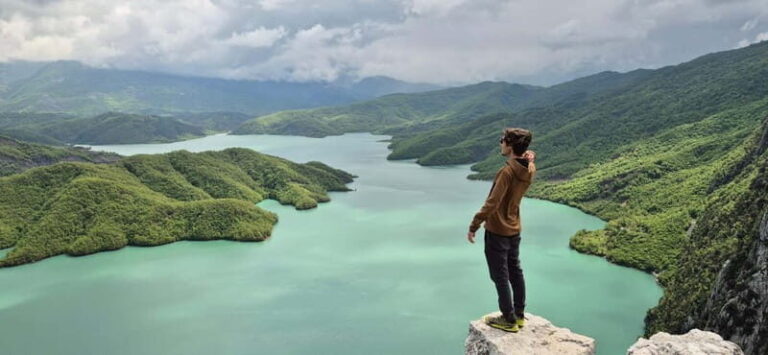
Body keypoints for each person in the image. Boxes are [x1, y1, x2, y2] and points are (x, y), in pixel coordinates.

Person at [467, 127, 536, 333]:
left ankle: (509, 319)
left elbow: (492, 203)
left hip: (497, 231)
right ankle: (520, 315)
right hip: (514, 228)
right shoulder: (529, 168)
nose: (500, 143)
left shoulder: (506, 172)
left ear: (510, 144)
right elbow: (529, 160)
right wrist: (529, 156)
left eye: (502, 140)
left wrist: (474, 224)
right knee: (515, 271)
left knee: (500, 276)